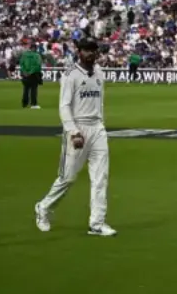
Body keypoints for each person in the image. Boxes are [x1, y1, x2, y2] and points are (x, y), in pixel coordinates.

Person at [33, 38, 116, 236]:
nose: (90, 54)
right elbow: (64, 106)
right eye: (86, 50)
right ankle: (43, 207)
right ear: (79, 52)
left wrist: (101, 126)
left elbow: (100, 103)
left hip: (97, 129)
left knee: (100, 178)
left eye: (93, 51)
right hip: (78, 128)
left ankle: (97, 223)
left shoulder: (99, 73)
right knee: (68, 178)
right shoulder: (71, 75)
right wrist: (73, 131)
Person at [19, 42, 43, 109]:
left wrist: (24, 72)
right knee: (34, 90)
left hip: (25, 75)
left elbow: (21, 64)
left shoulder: (24, 55)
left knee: (25, 90)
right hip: (34, 75)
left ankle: (24, 104)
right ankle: (33, 104)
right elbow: (38, 65)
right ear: (35, 48)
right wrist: (30, 72)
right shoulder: (37, 55)